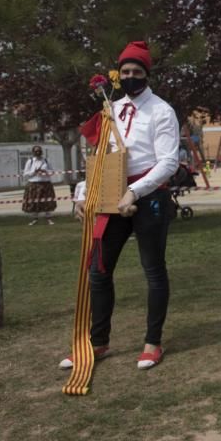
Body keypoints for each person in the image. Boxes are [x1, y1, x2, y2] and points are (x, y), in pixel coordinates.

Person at [61, 41, 179, 371]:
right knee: (98, 271)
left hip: (149, 194)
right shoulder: (110, 109)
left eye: (136, 72)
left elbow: (168, 162)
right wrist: (84, 193)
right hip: (111, 192)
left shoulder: (161, 111)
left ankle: (152, 343)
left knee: (153, 271)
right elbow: (100, 157)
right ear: (117, 74)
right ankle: (98, 342)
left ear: (147, 74)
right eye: (125, 71)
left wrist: (136, 192)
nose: (130, 77)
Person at [22, 145, 57, 225]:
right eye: (36, 151)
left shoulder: (46, 160)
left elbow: (52, 172)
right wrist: (34, 171)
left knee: (47, 201)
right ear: (33, 152)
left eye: (39, 150)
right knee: (34, 202)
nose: (38, 152)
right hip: (33, 184)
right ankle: (35, 219)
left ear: (41, 151)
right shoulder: (30, 161)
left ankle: (48, 218)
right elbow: (25, 174)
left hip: (46, 183)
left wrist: (45, 171)